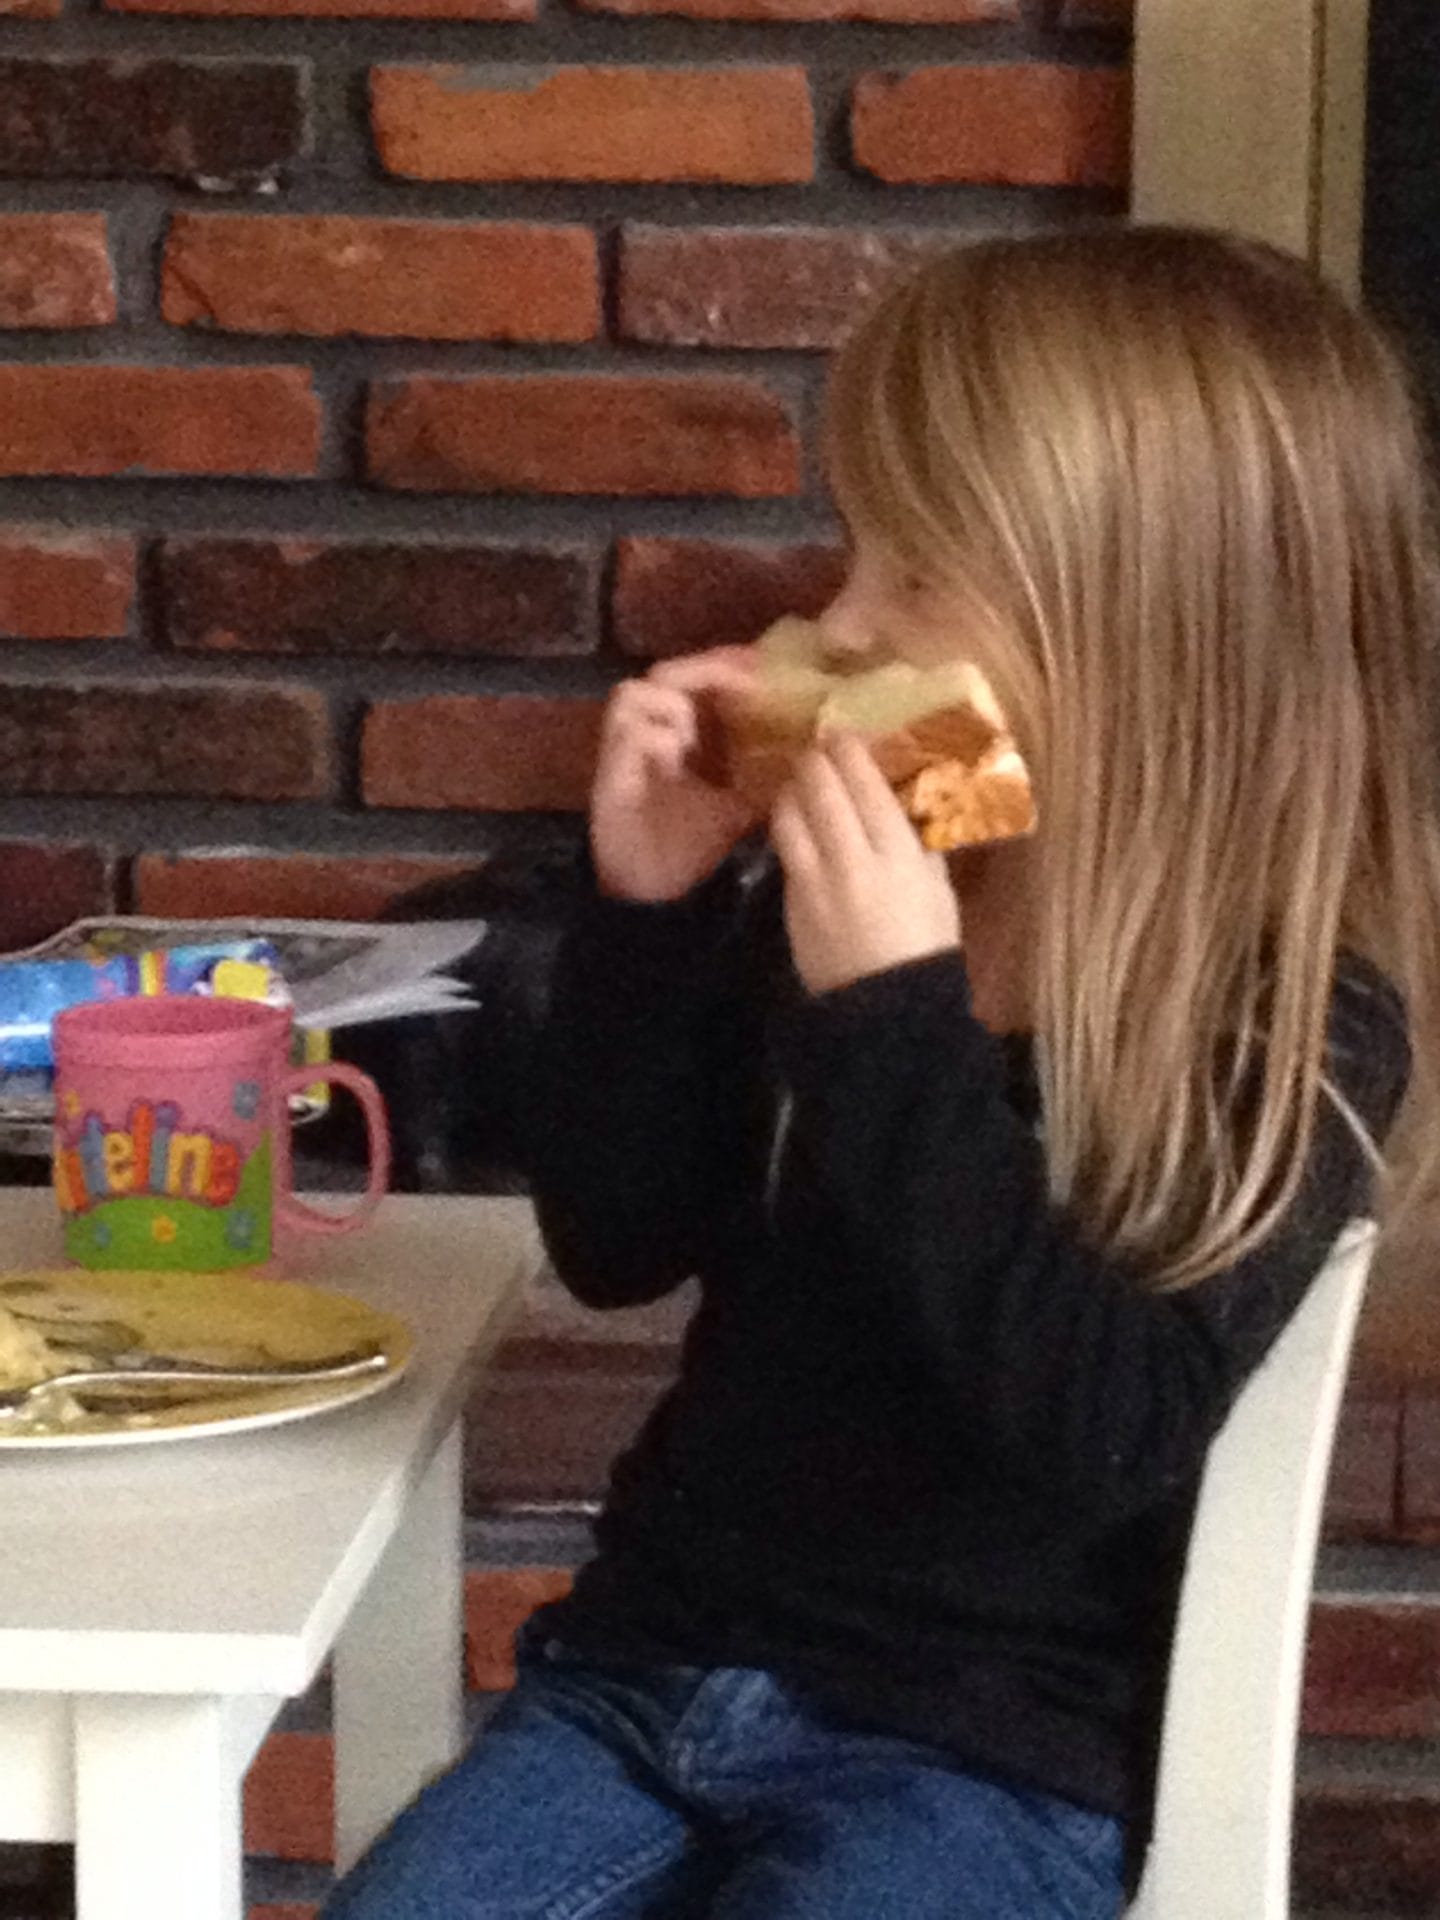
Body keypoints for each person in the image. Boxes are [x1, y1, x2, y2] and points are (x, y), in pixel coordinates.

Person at [321, 228, 1438, 1920]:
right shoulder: (879, 888)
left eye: (916, 580)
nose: (835, 625)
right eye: (857, 555)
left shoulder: (1291, 1022)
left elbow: (1105, 1425)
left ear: (1144, 637)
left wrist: (895, 1016)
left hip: (982, 1758)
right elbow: (621, 1239)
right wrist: (654, 908)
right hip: (646, 1677)